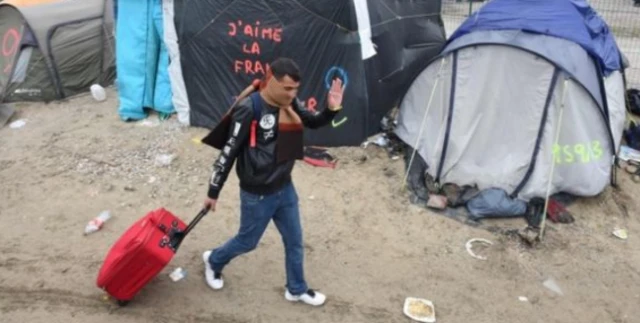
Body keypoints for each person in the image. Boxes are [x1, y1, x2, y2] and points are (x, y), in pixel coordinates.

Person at [201, 57, 344, 306]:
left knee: (295, 242)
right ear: (272, 81)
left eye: (296, 89)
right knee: (247, 242)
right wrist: (213, 191)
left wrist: (332, 109)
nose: (292, 94)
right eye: (287, 88)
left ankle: (296, 289)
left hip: (284, 187)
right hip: (257, 193)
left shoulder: (289, 103)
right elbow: (229, 151)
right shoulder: (249, 108)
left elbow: (312, 121)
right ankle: (214, 260)